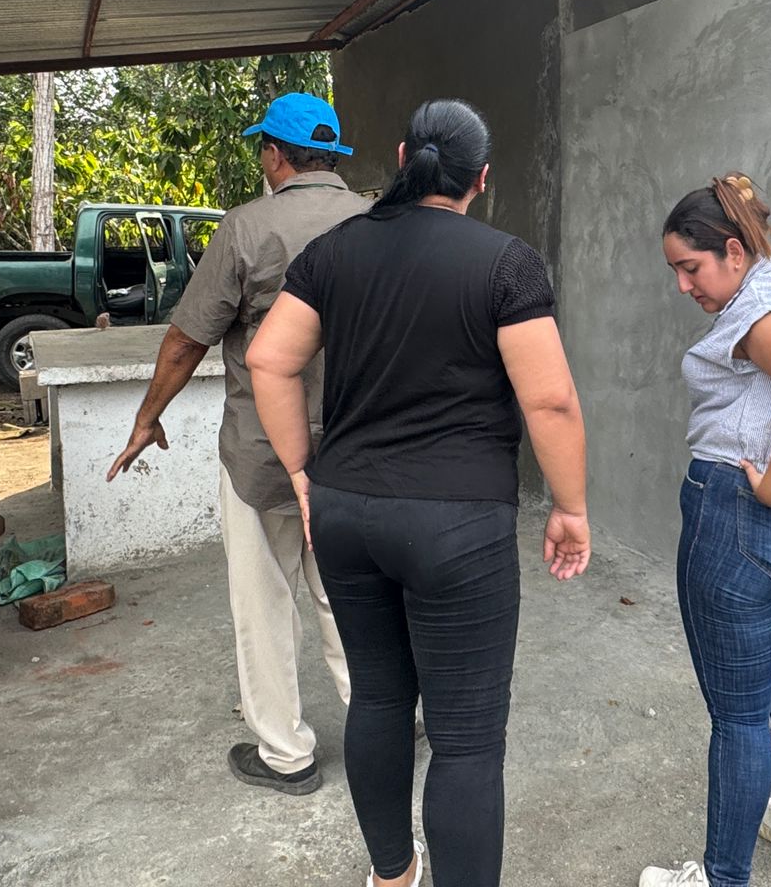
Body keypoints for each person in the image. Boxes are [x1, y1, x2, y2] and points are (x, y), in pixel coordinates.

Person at [247, 98, 591, 887]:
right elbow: (550, 401)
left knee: (377, 699)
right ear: (482, 179)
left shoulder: (335, 252)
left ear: (403, 159)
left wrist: (303, 474)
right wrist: (570, 508)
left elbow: (269, 360)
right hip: (458, 526)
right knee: (465, 740)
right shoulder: (506, 263)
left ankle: (392, 875)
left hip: (347, 511)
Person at [106, 93, 368, 796]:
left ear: (275, 155)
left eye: (263, 149)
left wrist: (148, 417)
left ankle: (286, 755)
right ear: (332, 157)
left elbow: (187, 338)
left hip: (263, 455)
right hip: (358, 453)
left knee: (264, 603)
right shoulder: (378, 222)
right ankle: (386, 725)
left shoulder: (247, 228)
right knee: (353, 596)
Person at [642, 175, 771, 887]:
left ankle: (722, 878)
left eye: (690, 267)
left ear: (734, 251)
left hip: (750, 520)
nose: (683, 285)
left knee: (739, 716)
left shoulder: (763, 310)